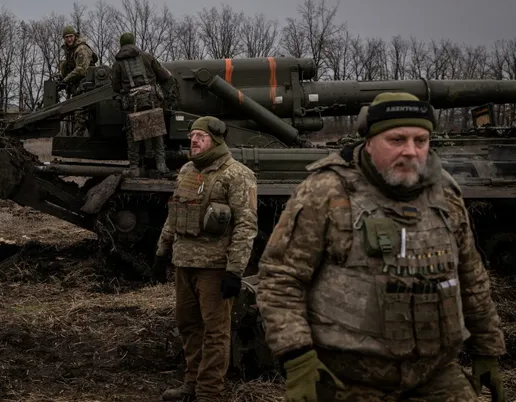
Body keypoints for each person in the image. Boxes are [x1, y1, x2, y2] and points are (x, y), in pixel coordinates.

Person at [256, 92, 506, 402]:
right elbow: (281, 279)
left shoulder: (445, 192)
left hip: (436, 373)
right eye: (397, 139)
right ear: (370, 141)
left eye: (421, 140)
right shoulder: (326, 191)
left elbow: (470, 275)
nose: (411, 152)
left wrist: (487, 349)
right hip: (351, 378)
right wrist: (298, 358)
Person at [152, 116, 258, 401]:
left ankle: (209, 392)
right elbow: (175, 214)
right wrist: (162, 251)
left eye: (201, 136)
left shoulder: (236, 174)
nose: (194, 140)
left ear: (216, 139)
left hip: (214, 267)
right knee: (188, 325)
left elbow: (246, 226)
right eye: (192, 135)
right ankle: (191, 385)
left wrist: (235, 271)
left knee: (215, 331)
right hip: (184, 263)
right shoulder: (188, 169)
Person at [111, 32, 175, 176]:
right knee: (156, 132)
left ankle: (134, 168)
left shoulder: (118, 63)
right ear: (134, 43)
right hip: (152, 100)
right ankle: (161, 166)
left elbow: (115, 87)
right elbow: (165, 76)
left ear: (121, 45)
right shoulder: (147, 57)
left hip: (132, 103)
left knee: (133, 135)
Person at [57, 25, 97, 136]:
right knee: (78, 113)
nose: (69, 39)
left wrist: (65, 80)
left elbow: (81, 70)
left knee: (80, 112)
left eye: (71, 36)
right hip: (78, 86)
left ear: (75, 36)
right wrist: (62, 79)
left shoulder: (81, 49)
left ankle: (77, 138)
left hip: (87, 85)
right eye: (66, 37)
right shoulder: (70, 50)